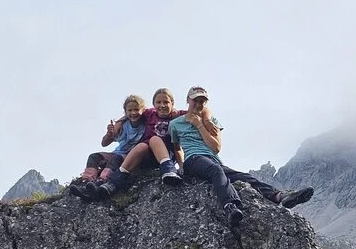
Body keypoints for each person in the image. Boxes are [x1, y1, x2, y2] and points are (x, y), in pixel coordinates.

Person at [86, 88, 184, 197]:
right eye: (158, 102)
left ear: (172, 103)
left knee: (154, 139)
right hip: (147, 156)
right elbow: (133, 111)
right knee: (141, 146)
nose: (162, 105)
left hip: (165, 154)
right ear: (153, 104)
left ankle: (168, 169)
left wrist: (181, 166)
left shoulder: (178, 116)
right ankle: (112, 183)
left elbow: (196, 112)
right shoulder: (150, 113)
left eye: (166, 102)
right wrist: (119, 121)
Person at [170, 86, 244, 224]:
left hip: (213, 160)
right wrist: (180, 166)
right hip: (193, 159)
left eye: (202, 101)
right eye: (195, 100)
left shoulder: (212, 121)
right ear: (188, 100)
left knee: (244, 177)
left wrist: (200, 125)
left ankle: (278, 196)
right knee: (215, 170)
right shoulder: (175, 124)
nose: (198, 104)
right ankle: (229, 206)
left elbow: (215, 148)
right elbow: (176, 147)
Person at [67, 95, 147, 197]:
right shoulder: (124, 125)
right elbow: (104, 143)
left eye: (136, 109)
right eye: (130, 110)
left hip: (130, 156)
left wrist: (119, 120)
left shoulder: (146, 123)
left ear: (142, 110)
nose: (133, 113)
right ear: (125, 112)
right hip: (118, 152)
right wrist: (109, 134)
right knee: (94, 157)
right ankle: (86, 182)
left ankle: (101, 181)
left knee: (115, 159)